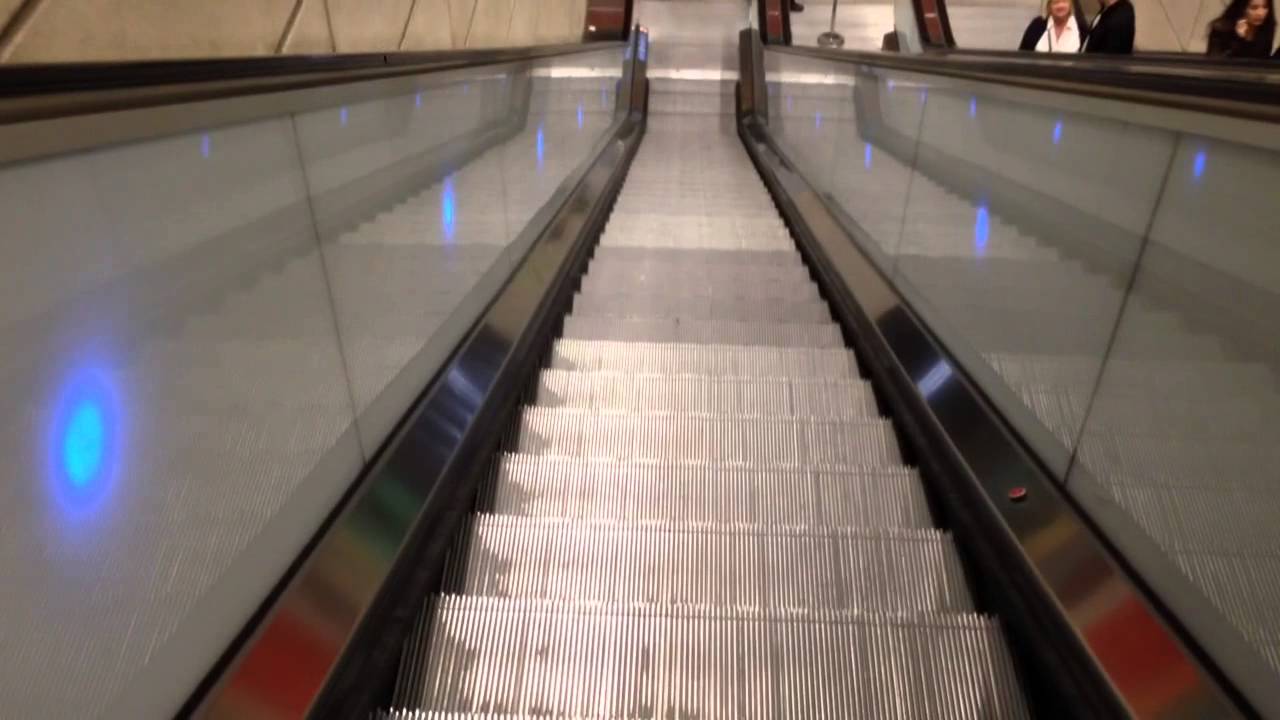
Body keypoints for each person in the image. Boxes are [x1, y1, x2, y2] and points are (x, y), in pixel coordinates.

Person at [1206, 0, 1275, 58]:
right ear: (1242, 8)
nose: (1260, 13)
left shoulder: (1267, 27)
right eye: (1254, 8)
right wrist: (1238, 39)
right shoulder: (1221, 28)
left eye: (1265, 7)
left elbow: (1264, 60)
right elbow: (1215, 62)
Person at [1019, 0, 1085, 51]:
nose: (1060, 6)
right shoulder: (1037, 26)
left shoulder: (1082, 29)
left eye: (1064, 1)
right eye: (1056, 2)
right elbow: (1022, 56)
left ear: (1070, 4)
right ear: (1049, 6)